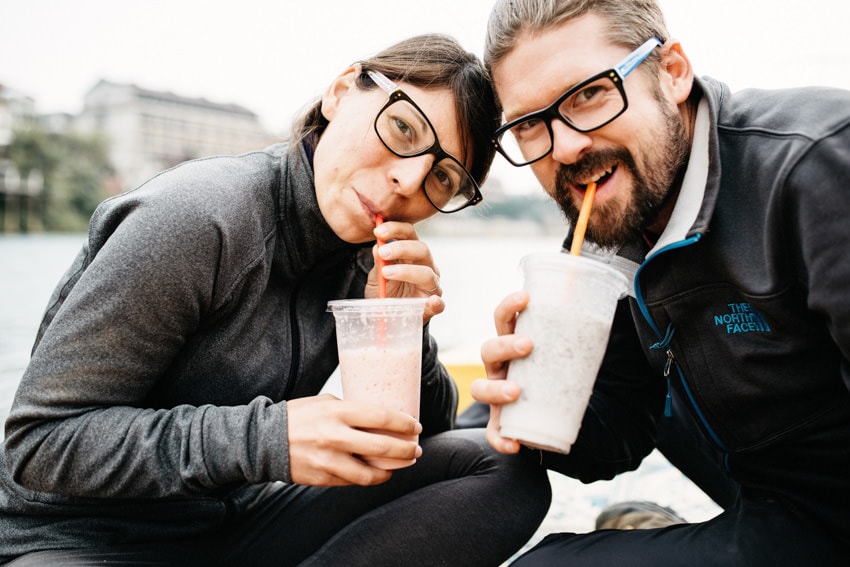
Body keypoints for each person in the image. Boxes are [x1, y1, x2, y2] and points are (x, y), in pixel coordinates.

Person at [0, 34, 551, 566]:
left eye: (444, 178)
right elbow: (40, 442)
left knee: (502, 472)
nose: (409, 179)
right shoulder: (198, 218)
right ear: (340, 93)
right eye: (404, 129)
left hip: (238, 522)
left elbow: (419, 443)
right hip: (80, 539)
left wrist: (407, 327)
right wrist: (267, 439)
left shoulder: (365, 257)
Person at [471, 0, 850, 564]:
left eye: (590, 93)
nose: (568, 145)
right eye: (529, 125)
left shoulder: (816, 167)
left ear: (672, 72)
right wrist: (536, 407)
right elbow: (622, 427)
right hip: (764, 508)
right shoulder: (608, 234)